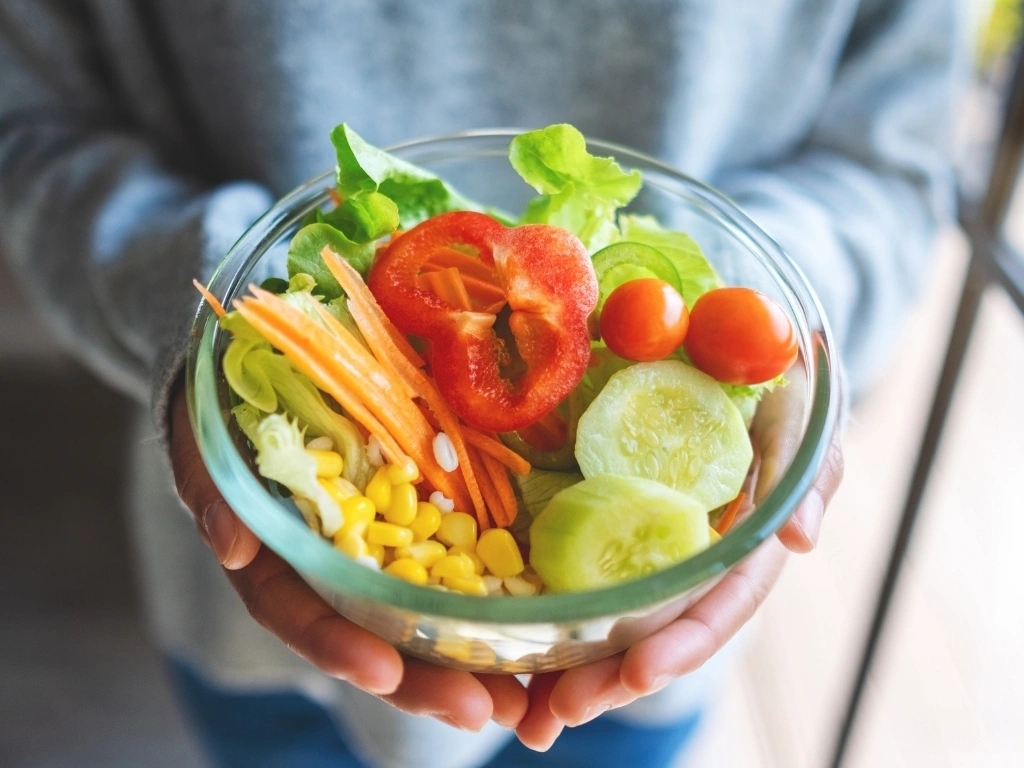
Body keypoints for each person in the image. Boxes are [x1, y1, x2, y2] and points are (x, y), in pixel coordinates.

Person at [0, 1, 959, 766]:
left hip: (638, 634)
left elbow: (894, 161)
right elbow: (31, 130)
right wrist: (216, 306)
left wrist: (782, 337)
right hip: (262, 626)